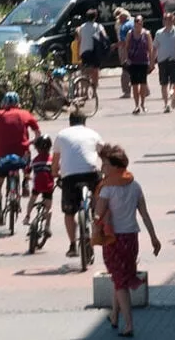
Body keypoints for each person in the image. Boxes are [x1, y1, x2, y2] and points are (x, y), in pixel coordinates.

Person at [95, 145, 160, 337]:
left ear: (115, 167)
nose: (103, 168)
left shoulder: (107, 189)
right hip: (131, 238)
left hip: (113, 239)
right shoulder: (135, 186)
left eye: (105, 165)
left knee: (120, 281)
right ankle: (114, 316)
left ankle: (129, 324)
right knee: (120, 277)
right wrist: (154, 238)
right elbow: (145, 214)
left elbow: (98, 213)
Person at [0, 91, 40, 226]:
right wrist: (32, 141)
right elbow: (37, 132)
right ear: (18, 103)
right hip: (21, 156)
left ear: (4, 103)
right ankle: (26, 180)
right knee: (27, 156)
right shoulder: (25, 114)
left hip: (2, 157)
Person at [52, 111, 103, 258]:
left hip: (70, 178)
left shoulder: (61, 135)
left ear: (70, 122)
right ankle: (95, 214)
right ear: (84, 121)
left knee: (69, 212)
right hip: (91, 174)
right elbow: (105, 153)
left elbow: (55, 161)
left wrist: (55, 173)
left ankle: (72, 245)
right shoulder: (93, 134)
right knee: (98, 195)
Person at [153, 12, 175, 113]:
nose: (167, 21)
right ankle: (166, 104)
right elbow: (155, 48)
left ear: (173, 20)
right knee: (164, 84)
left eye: (169, 19)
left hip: (174, 60)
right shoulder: (159, 33)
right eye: (165, 19)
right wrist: (152, 61)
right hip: (162, 61)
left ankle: (173, 96)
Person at [22, 135, 54, 235]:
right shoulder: (52, 160)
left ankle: (27, 216)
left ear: (37, 148)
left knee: (32, 199)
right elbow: (57, 171)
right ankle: (47, 226)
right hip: (48, 187)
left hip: (37, 186)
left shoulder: (35, 160)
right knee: (49, 207)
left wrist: (27, 176)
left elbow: (27, 170)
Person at [125, 14, 154, 115]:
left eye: (140, 22)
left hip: (143, 62)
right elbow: (126, 47)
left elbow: (150, 49)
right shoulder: (130, 33)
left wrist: (151, 62)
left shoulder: (146, 34)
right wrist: (127, 58)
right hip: (133, 62)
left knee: (143, 84)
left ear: (142, 23)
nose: (138, 24)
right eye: (136, 22)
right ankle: (136, 105)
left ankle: (143, 104)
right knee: (134, 85)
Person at [75, 8, 105, 89]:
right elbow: (104, 37)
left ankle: (85, 88)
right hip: (95, 51)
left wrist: (78, 53)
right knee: (95, 69)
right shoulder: (98, 26)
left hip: (84, 51)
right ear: (95, 17)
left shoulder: (81, 27)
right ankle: (95, 87)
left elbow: (79, 41)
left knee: (86, 70)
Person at [115, 9, 133, 98]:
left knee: (125, 70)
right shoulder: (134, 23)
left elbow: (123, 41)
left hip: (125, 50)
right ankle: (145, 90)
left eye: (120, 18)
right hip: (136, 49)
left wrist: (115, 46)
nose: (119, 20)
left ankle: (127, 91)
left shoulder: (123, 27)